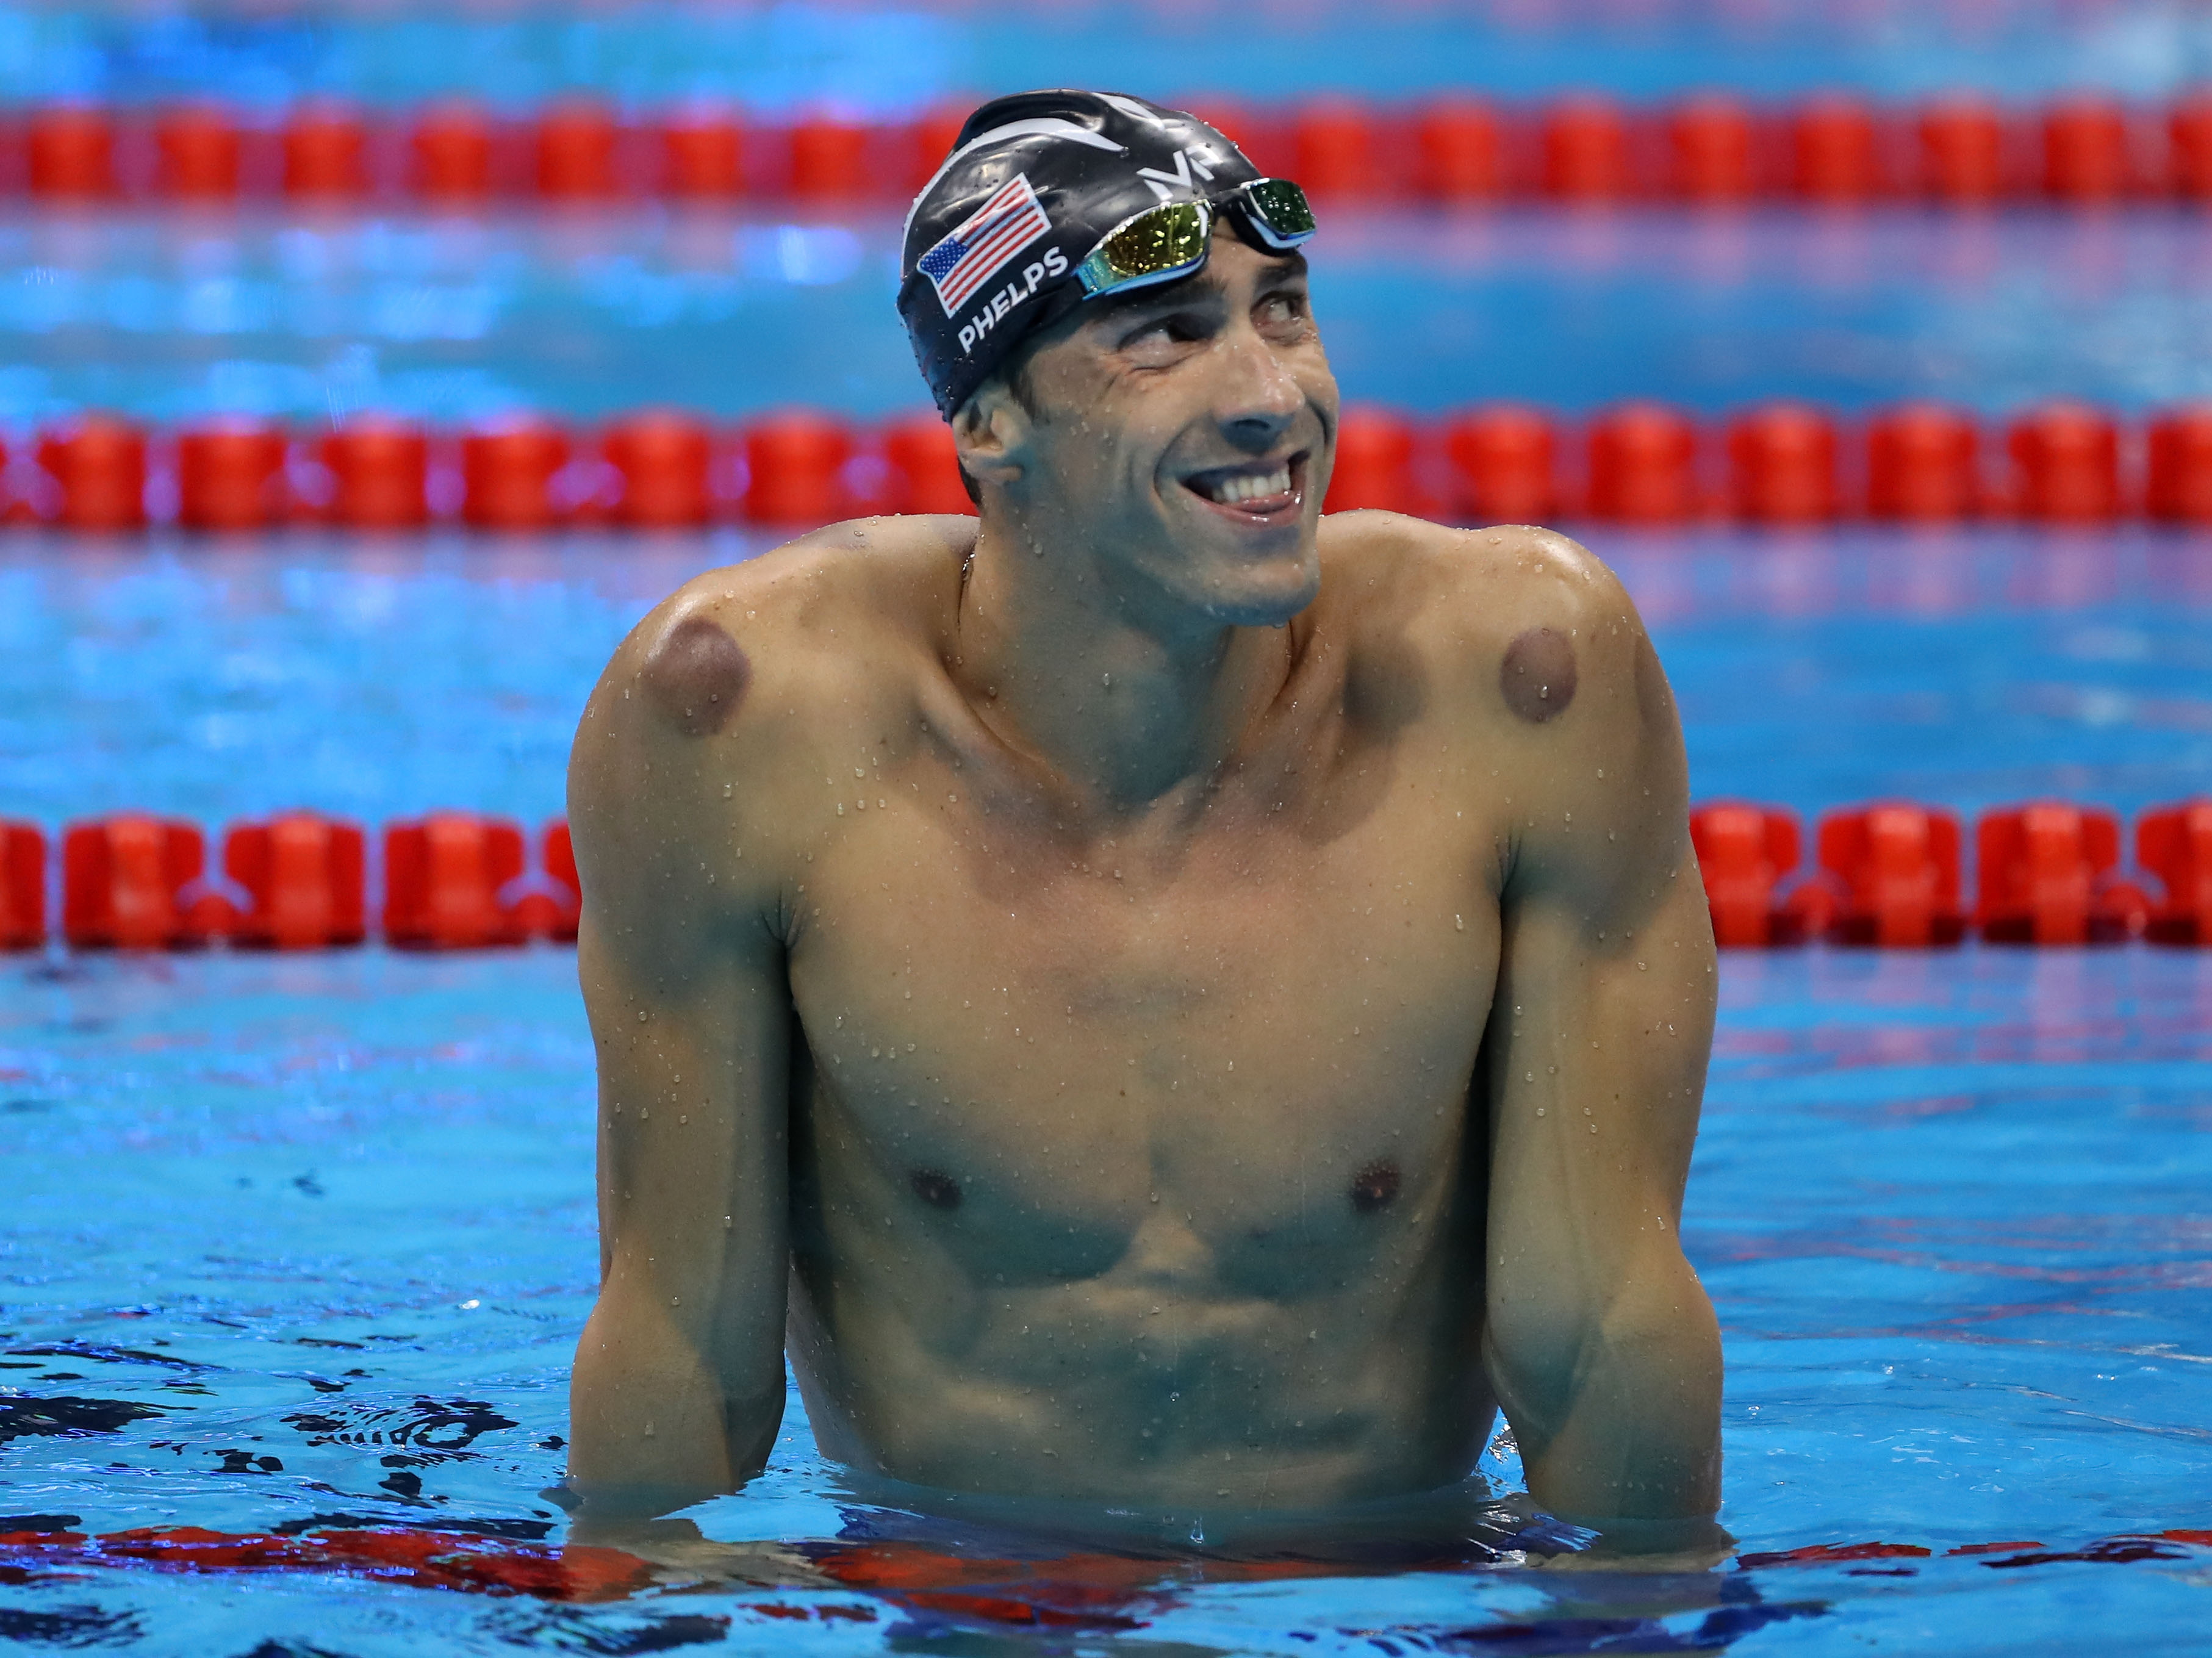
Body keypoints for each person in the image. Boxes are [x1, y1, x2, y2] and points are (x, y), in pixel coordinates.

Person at [562, 88, 1723, 1561]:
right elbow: (679, 1351)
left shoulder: (1513, 683)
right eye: (1166, 335)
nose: (1268, 396)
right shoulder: (742, 720)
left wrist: (1639, 1623)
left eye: (1282, 311)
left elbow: (1602, 1326)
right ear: (988, 425)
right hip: (966, 1602)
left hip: (1384, 1596)